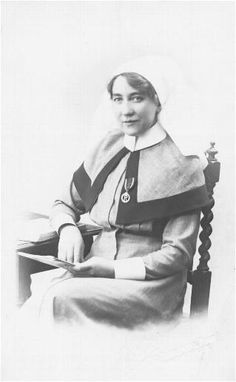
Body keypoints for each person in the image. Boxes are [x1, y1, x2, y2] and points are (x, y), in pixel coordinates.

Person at [23, 56, 210, 328]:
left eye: (137, 98)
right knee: (36, 302)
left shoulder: (182, 163)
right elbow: (64, 202)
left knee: (56, 299)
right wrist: (68, 228)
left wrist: (110, 269)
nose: (126, 110)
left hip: (151, 287)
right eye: (118, 99)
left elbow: (178, 254)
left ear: (158, 101)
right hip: (93, 275)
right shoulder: (107, 147)